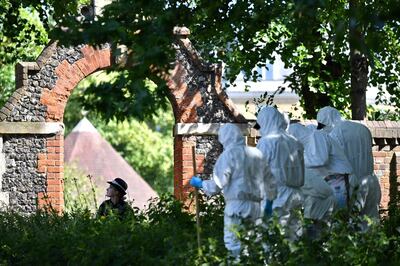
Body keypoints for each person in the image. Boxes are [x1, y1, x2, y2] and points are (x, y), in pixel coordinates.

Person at [189, 123, 277, 257]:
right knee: (256, 243)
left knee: (235, 245)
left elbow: (217, 185)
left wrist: (201, 184)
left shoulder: (228, 155)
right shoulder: (257, 154)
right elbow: (270, 181)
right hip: (256, 207)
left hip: (237, 207)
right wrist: (269, 202)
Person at [317, 106, 381, 220]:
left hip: (349, 184)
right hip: (371, 180)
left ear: (327, 121)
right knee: (371, 224)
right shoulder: (362, 128)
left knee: (348, 226)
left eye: (322, 125)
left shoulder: (334, 133)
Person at [288, 123, 347, 237]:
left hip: (330, 190)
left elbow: (320, 162)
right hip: (328, 190)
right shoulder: (308, 147)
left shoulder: (316, 138)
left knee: (314, 234)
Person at [255, 106, 304, 241]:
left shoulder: (267, 142)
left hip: (276, 196)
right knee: (293, 237)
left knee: (272, 236)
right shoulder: (295, 142)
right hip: (296, 194)